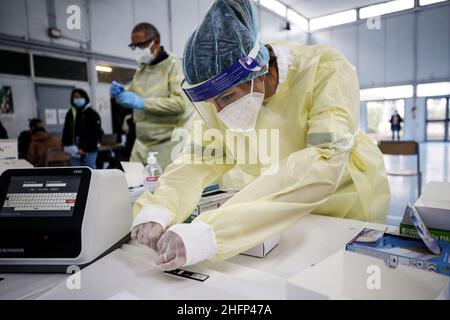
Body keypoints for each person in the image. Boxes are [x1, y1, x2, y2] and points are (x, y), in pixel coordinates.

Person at [131, 0, 391, 271]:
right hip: (274, 208)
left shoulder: (324, 69)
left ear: (258, 69)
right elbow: (197, 161)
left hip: (343, 204)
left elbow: (324, 161)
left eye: (227, 96)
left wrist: (210, 233)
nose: (219, 112)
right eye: (212, 102)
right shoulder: (216, 102)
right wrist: (159, 208)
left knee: (338, 279)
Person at [110, 22, 192, 171]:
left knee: (163, 189)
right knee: (133, 186)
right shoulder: (142, 69)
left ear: (157, 41)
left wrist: (143, 103)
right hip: (141, 142)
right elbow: (132, 99)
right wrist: (120, 95)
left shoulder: (174, 65)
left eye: (141, 45)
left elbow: (180, 104)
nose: (138, 51)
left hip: (167, 144)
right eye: (134, 47)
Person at [62, 88, 102, 169]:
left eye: (80, 97)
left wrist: (85, 148)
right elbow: (66, 130)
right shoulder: (70, 113)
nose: (77, 99)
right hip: (74, 150)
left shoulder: (92, 114)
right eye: (75, 97)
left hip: (89, 150)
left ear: (85, 98)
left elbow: (96, 133)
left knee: (90, 173)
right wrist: (65, 145)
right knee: (76, 174)